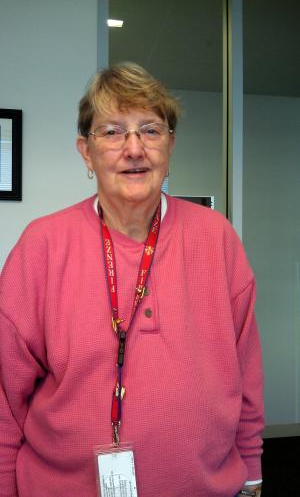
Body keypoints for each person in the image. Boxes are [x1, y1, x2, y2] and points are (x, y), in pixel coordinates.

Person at [0, 62, 264, 497]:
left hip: (205, 487)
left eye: (151, 130)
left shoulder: (216, 237)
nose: (134, 149)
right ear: (86, 151)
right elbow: (6, 396)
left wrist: (252, 473)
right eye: (112, 132)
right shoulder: (43, 245)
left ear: (170, 145)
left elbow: (246, 369)